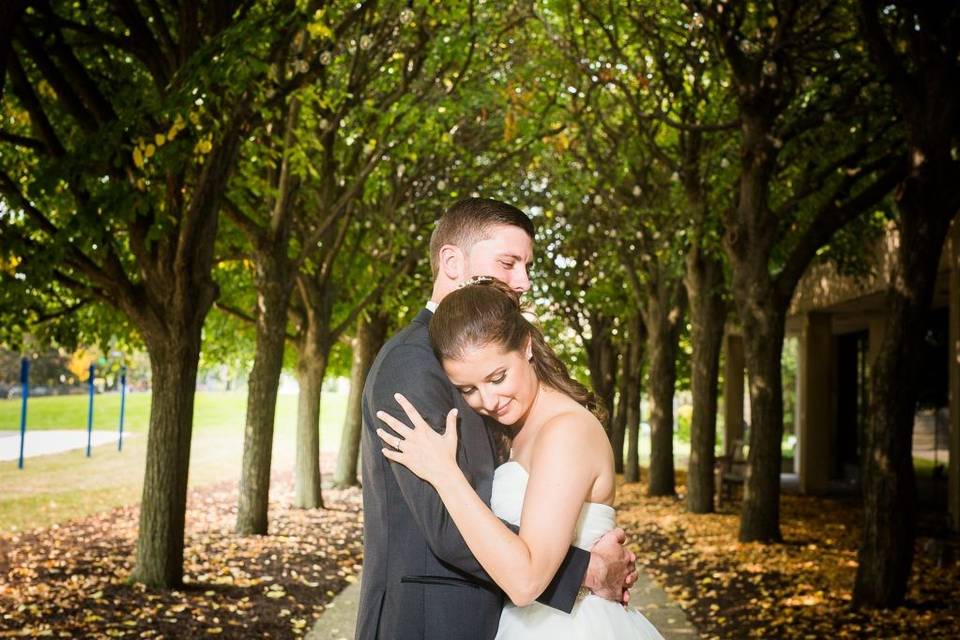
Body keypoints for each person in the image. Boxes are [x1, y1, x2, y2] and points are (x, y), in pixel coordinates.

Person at [355, 198, 636, 640]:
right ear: (451, 261)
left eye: (527, 266)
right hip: (430, 621)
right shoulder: (413, 362)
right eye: (508, 263)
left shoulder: (484, 366)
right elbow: (444, 526)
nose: (522, 281)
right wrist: (586, 569)